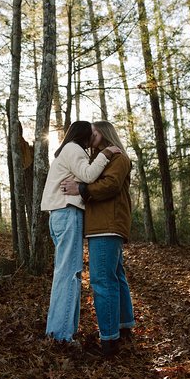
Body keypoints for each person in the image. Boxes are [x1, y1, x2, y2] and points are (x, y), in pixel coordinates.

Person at [40, 121, 121, 343]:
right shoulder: (73, 149)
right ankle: (61, 336)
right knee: (70, 274)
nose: (94, 137)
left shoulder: (66, 151)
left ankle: (60, 331)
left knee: (66, 273)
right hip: (67, 213)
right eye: (91, 133)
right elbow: (87, 175)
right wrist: (105, 154)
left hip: (60, 214)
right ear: (85, 135)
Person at [61, 121, 136, 357]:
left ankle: (108, 340)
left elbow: (111, 185)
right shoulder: (100, 159)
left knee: (102, 281)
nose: (90, 136)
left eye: (94, 132)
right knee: (115, 277)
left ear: (104, 133)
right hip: (104, 225)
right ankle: (123, 327)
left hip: (107, 226)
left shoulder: (118, 157)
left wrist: (81, 189)